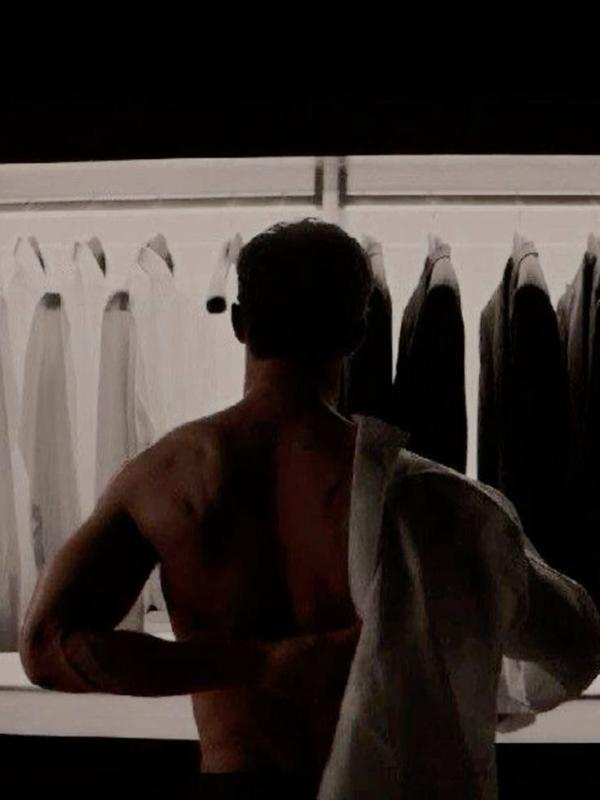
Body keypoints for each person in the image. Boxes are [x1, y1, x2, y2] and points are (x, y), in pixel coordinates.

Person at [18, 219, 371, 798]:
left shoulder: (172, 473)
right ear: (358, 332)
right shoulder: (404, 485)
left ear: (239, 323)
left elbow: (47, 649)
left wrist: (255, 666)